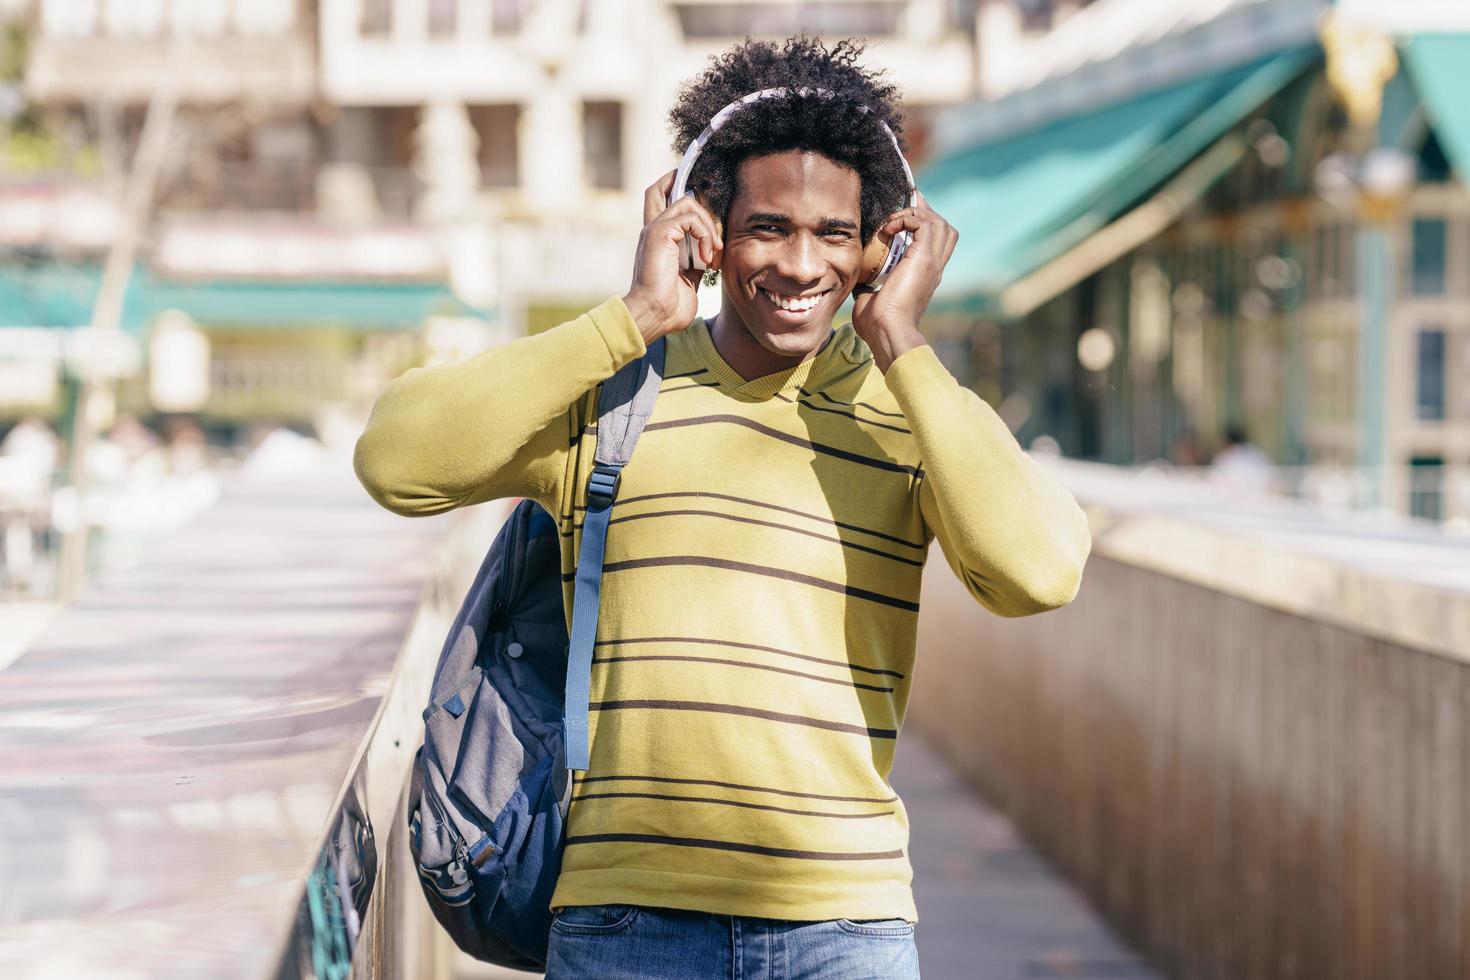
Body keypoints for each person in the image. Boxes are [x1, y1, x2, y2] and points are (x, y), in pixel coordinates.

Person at [354, 36, 1091, 980]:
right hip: (625, 924)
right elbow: (395, 462)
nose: (799, 264)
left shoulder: (911, 413)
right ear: (706, 228)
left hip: (847, 930)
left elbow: (1039, 573)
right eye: (769, 227)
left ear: (881, 247)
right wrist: (631, 315)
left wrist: (901, 338)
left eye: (833, 233)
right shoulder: (617, 394)